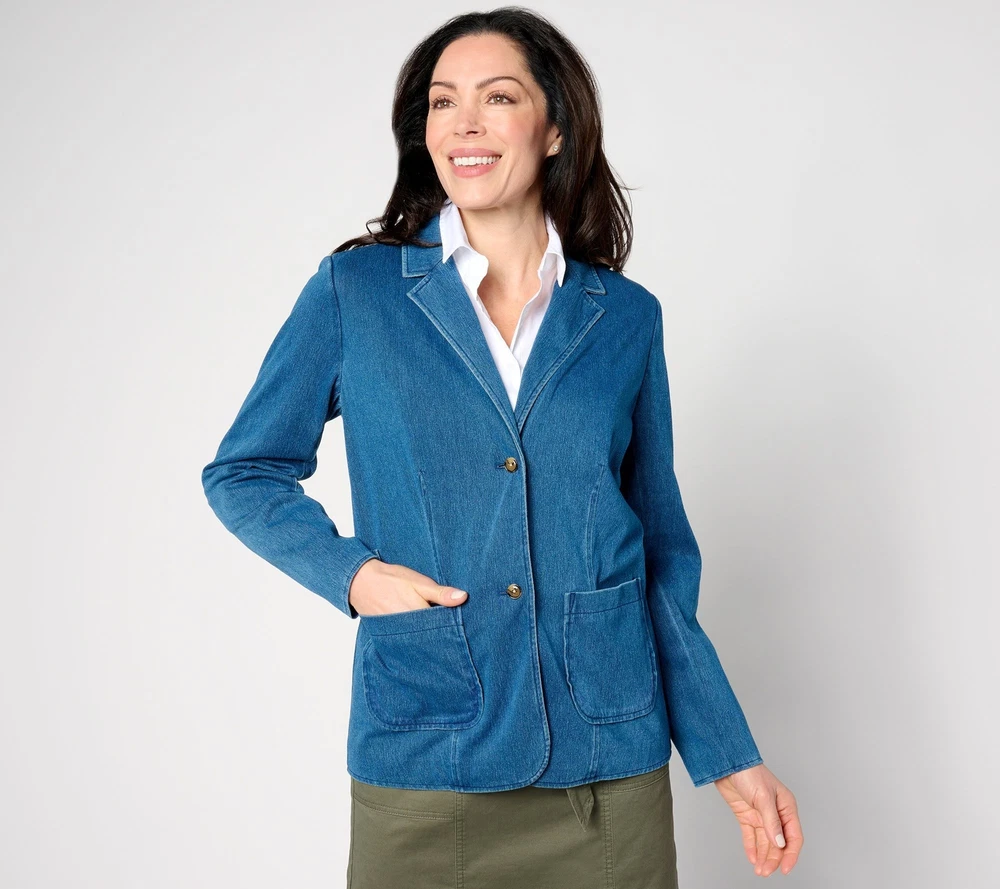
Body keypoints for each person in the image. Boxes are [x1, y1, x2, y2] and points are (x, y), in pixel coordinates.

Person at [201, 8, 803, 888]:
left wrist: (727, 751)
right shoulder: (356, 292)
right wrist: (354, 576)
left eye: (498, 97)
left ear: (556, 128)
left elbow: (661, 558)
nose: (464, 124)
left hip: (608, 764)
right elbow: (245, 471)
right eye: (444, 102)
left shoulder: (625, 318)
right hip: (429, 750)